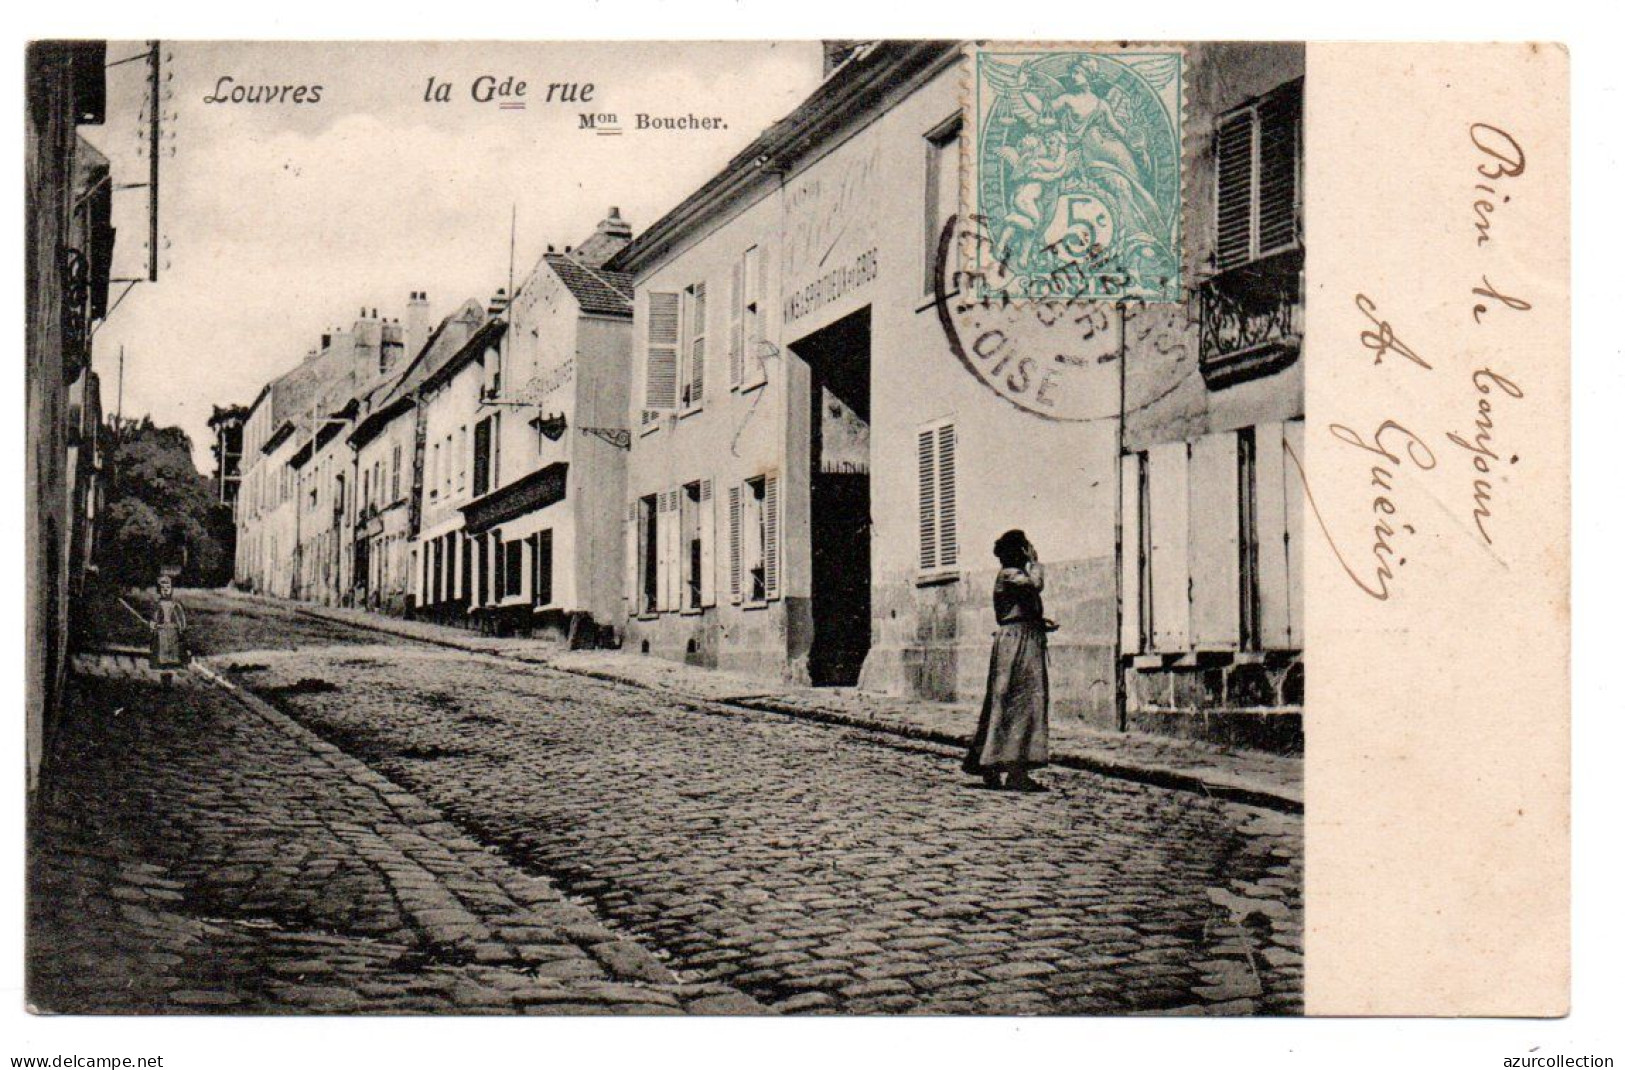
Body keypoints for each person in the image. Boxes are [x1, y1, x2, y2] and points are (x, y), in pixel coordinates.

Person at [963, 530, 1051, 792]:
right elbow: (1035, 584)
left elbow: (1021, 606)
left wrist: (1038, 622)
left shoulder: (1015, 576)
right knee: (1010, 703)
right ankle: (995, 765)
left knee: (1027, 704)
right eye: (1025, 547)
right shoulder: (1009, 574)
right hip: (1015, 644)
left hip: (1024, 640)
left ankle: (1014, 769)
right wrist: (1036, 562)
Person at [148, 575, 189, 684]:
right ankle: (164, 678)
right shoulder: (158, 605)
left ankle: (169, 677)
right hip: (162, 633)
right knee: (163, 655)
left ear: (172, 589)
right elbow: (155, 617)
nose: (166, 591)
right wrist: (153, 625)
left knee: (172, 654)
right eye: (163, 588)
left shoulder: (175, 605)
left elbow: (180, 617)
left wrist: (181, 627)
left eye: (168, 588)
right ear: (159, 590)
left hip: (172, 633)